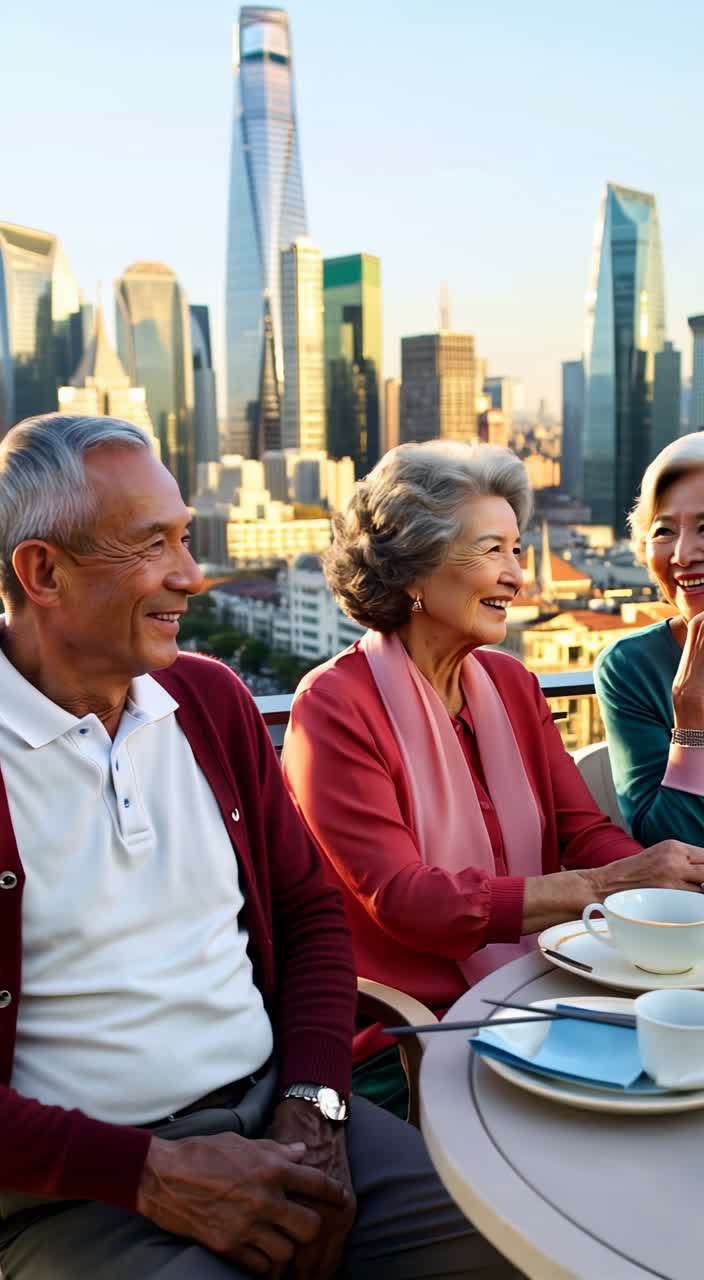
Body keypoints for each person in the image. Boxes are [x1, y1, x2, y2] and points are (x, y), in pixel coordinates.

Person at [0, 414, 520, 1280]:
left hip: (282, 1114)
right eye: (151, 546)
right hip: (78, 1192)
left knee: (522, 1242)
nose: (191, 576)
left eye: (186, 536)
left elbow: (311, 913)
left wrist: (313, 1108)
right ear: (42, 570)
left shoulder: (210, 701)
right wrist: (154, 1176)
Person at [282, 440, 704, 1117]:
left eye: (517, 550)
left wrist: (675, 878)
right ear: (412, 572)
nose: (517, 576)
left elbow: (585, 833)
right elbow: (411, 902)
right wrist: (610, 887)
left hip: (548, 990)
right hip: (409, 1037)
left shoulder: (512, 684)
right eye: (492, 551)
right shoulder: (333, 706)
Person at [595, 431, 704, 852]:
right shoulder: (631, 667)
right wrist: (693, 707)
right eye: (663, 531)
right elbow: (675, 853)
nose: (683, 554)